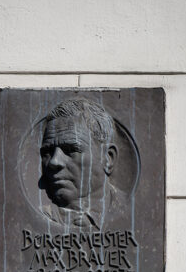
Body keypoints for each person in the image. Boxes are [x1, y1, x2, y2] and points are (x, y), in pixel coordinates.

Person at [39, 98, 126, 230]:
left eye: (71, 149)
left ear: (108, 158)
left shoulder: (129, 206)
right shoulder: (42, 215)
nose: (54, 161)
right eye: (47, 152)